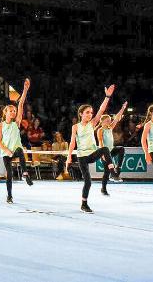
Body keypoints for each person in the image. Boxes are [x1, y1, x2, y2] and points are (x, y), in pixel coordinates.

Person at [66, 85, 122, 214]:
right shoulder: (75, 127)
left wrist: (107, 96)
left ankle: (113, 172)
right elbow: (72, 143)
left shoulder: (93, 123)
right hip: (82, 157)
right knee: (88, 181)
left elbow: (102, 110)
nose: (90, 115)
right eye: (87, 112)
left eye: (91, 112)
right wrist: (69, 157)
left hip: (92, 153)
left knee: (104, 149)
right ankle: (84, 204)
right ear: (81, 114)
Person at [0, 78, 33, 204]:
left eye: (15, 111)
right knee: (9, 175)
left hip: (16, 150)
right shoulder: (1, 125)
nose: (13, 112)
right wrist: (7, 151)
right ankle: (9, 196)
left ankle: (25, 173)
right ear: (5, 112)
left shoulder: (16, 123)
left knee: (20, 150)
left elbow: (21, 104)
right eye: (11, 111)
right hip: (6, 152)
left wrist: (25, 89)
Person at [96, 101, 128, 196]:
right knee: (106, 172)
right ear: (102, 122)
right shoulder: (100, 130)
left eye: (109, 120)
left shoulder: (110, 128)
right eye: (107, 120)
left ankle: (118, 168)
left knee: (121, 148)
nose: (109, 122)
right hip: (105, 152)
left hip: (112, 150)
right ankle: (103, 189)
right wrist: (102, 154)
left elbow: (117, 118)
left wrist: (123, 108)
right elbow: (100, 142)